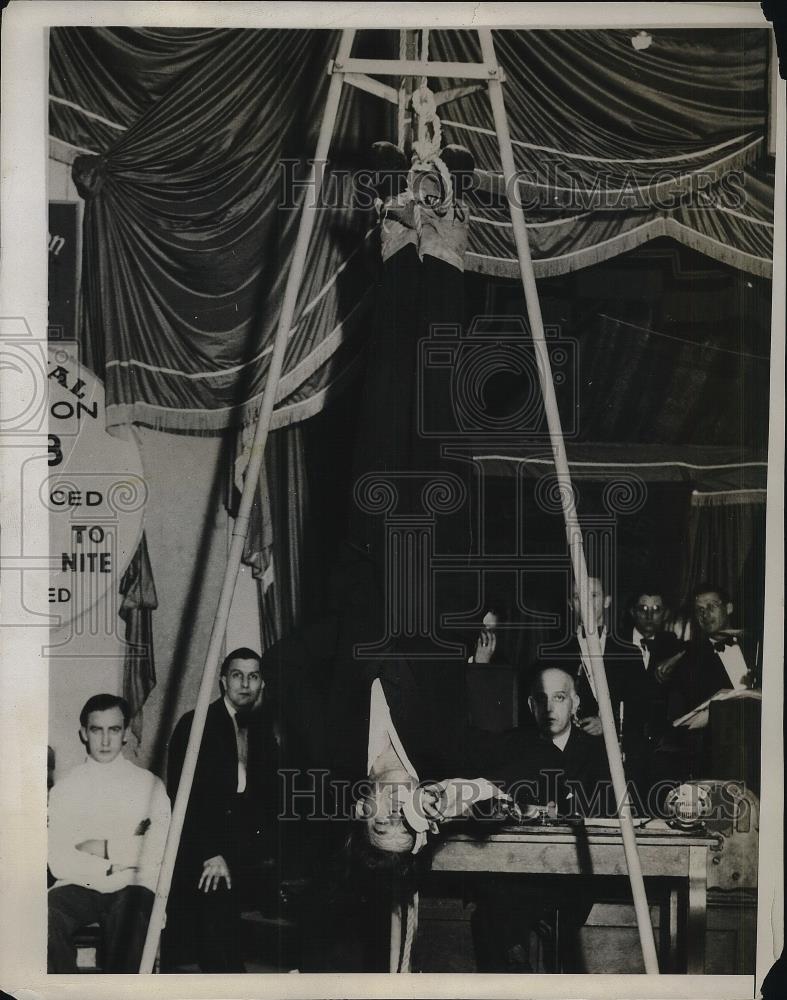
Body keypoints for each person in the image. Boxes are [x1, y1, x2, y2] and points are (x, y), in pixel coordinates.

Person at [471, 665, 608, 973]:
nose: (550, 708)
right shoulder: (511, 746)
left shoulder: (599, 753)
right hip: (520, 867)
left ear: (575, 703)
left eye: (559, 698)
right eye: (541, 699)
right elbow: (488, 794)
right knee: (494, 906)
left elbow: (607, 808)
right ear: (531, 706)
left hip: (576, 871)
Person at [165, 648, 279, 972]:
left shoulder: (262, 730)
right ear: (222, 681)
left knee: (236, 933)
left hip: (243, 841)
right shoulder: (196, 723)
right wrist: (210, 852)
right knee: (217, 934)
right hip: (205, 843)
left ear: (261, 683)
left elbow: (267, 795)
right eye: (237, 675)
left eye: (253, 676)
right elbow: (183, 796)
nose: (245, 683)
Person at [47, 694, 171, 973]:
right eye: (96, 729)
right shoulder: (65, 791)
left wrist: (102, 848)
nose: (105, 740)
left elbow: (157, 851)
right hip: (79, 886)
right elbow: (58, 860)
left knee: (130, 916)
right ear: (83, 733)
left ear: (126, 733)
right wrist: (123, 856)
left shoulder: (149, 785)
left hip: (133, 885)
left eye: (113, 730)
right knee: (41, 914)